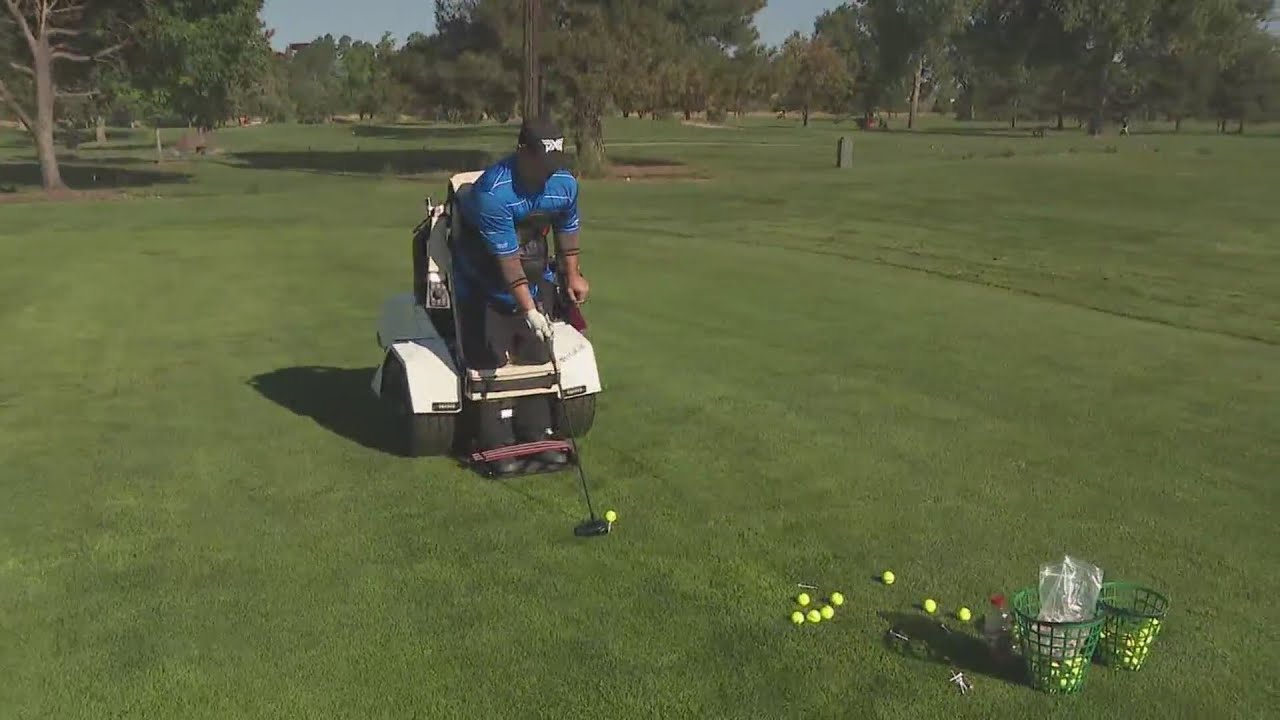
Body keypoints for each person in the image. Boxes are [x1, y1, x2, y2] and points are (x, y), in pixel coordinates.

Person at [453, 117, 590, 471]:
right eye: (542, 162)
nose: (548, 171)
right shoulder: (493, 193)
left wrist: (572, 275)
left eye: (553, 162)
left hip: (534, 272)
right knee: (489, 359)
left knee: (536, 352)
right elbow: (508, 262)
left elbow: (567, 226)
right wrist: (529, 310)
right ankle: (494, 439)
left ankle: (535, 432)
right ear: (521, 153)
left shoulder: (563, 183)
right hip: (483, 281)